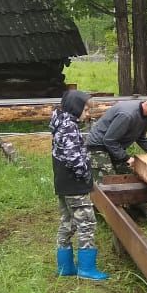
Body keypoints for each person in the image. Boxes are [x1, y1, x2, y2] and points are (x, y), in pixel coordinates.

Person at [50, 89, 108, 280]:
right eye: (84, 108)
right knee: (87, 223)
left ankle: (65, 267)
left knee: (67, 222)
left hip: (62, 182)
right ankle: (86, 269)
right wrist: (85, 175)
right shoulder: (69, 127)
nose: (87, 112)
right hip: (75, 184)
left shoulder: (60, 123)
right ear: (75, 107)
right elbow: (74, 158)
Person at [85, 91, 147, 179]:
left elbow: (141, 138)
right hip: (98, 148)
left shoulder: (145, 115)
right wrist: (126, 158)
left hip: (114, 147)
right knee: (108, 181)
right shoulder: (127, 115)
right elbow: (109, 140)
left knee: (130, 177)